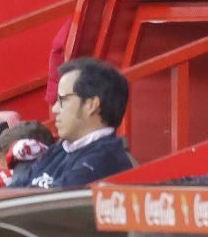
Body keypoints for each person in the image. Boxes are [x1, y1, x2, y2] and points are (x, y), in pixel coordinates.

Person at [17, 58, 135, 187]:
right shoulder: (58, 150)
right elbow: (10, 192)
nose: (55, 109)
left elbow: (51, 204)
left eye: (62, 100)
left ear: (91, 105)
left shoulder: (102, 162)